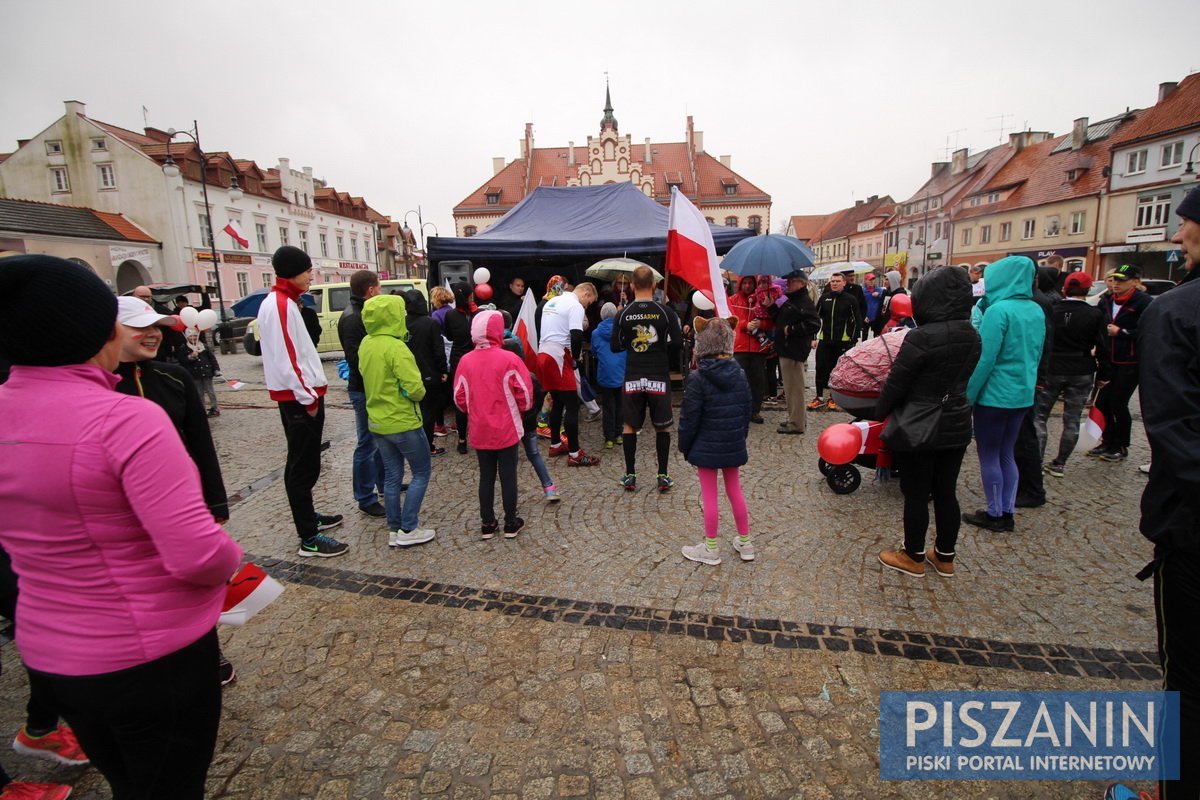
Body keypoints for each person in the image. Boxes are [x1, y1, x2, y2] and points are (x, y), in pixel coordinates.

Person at [0, 254, 243, 799]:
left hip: (52, 653)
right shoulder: (123, 418)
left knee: (127, 782)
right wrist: (233, 559)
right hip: (147, 656)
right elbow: (197, 555)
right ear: (94, 328)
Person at [113, 296, 237, 686]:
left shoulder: (172, 378)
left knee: (194, 580)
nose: (151, 335)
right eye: (139, 328)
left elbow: (201, 445)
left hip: (181, 502)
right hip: (125, 511)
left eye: (155, 327)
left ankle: (206, 646)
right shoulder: (99, 384)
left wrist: (215, 504)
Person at [1135, 183, 1200, 800]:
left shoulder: (1178, 311)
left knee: (1188, 678)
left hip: (1193, 530)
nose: (1177, 236)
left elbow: (1176, 430)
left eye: (1187, 225)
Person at [876, 268, 981, 577]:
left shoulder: (921, 337)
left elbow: (898, 383)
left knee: (917, 492)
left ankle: (913, 555)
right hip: (957, 420)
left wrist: (880, 411)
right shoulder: (972, 333)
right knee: (947, 491)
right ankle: (945, 556)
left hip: (920, 423)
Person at [257, 245, 348, 557]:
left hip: (302, 395)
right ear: (292, 271)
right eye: (307, 269)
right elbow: (289, 356)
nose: (312, 275)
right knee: (301, 466)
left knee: (306, 463)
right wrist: (307, 397)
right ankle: (308, 537)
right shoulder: (280, 304)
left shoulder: (286, 302)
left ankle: (309, 518)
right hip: (299, 398)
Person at [962, 256, 1046, 532]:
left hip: (995, 396)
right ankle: (1007, 509)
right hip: (1022, 394)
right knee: (1008, 453)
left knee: (989, 453)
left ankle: (995, 512)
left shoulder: (999, 311)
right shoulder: (1035, 310)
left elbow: (985, 359)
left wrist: (969, 395)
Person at [359, 294, 435, 548]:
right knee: (422, 472)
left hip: (378, 422)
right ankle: (409, 527)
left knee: (392, 476)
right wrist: (412, 391)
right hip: (403, 421)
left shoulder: (366, 344)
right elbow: (416, 389)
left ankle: (394, 529)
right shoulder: (397, 348)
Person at [678, 317, 754, 565]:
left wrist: (685, 446)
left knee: (709, 495)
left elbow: (689, 417)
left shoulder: (698, 378)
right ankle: (745, 542)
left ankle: (711, 548)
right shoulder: (741, 373)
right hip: (732, 442)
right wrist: (739, 439)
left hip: (705, 446)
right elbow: (746, 411)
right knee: (735, 491)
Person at [454, 310, 534, 539]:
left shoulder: (465, 361)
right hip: (507, 427)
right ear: (498, 331)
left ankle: (487, 523)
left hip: (480, 428)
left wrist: (474, 412)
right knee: (508, 475)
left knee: (486, 476)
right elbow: (526, 396)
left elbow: (459, 398)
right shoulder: (510, 359)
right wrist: (518, 410)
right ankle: (511, 522)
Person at [612, 266, 682, 490]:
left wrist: (629, 340)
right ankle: (662, 475)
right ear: (654, 285)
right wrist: (662, 345)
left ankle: (630, 474)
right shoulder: (666, 312)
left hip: (633, 374)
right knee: (662, 427)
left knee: (630, 426)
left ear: (632, 286)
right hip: (658, 376)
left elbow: (615, 346)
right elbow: (678, 344)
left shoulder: (622, 313)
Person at [1033, 272, 1106, 478]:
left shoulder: (1051, 310)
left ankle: (1037, 460)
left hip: (1053, 367)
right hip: (1081, 368)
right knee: (1072, 418)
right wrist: (1104, 373)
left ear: (1064, 289)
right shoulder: (1095, 314)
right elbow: (1102, 346)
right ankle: (1059, 463)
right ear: (1088, 289)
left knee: (1039, 417)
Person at [1089, 264, 1153, 463]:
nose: (1116, 283)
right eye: (1114, 279)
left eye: (1121, 280)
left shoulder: (1144, 302)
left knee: (1118, 403)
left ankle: (1121, 445)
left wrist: (1122, 333)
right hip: (1108, 359)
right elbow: (1098, 324)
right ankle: (1107, 441)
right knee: (1102, 402)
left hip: (1130, 361)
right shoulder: (1106, 299)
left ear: (1135, 282)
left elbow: (1148, 332)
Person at [336, 270, 386, 516]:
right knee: (367, 443)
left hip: (368, 386)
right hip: (362, 388)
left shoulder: (358, 313)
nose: (381, 291)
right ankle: (365, 497)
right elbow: (358, 359)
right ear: (371, 290)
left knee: (378, 440)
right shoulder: (355, 317)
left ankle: (383, 484)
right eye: (379, 287)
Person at [497, 310, 561, 502]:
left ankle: (510, 495)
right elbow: (535, 398)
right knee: (534, 454)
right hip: (527, 422)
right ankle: (548, 486)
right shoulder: (528, 377)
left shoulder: (501, 378)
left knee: (509, 461)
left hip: (509, 423)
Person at [539, 282, 601, 467]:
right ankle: (575, 453)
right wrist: (575, 357)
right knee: (573, 404)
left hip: (543, 353)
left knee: (557, 401)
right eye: (588, 303)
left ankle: (556, 443)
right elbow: (576, 335)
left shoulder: (552, 301)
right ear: (586, 294)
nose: (586, 306)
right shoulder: (575, 305)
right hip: (559, 355)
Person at [769, 270, 820, 435]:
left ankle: (797, 424)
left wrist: (791, 329)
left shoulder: (803, 301)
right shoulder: (793, 299)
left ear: (802, 283)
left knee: (795, 389)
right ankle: (795, 419)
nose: (788, 284)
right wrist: (770, 307)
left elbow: (814, 323)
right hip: (787, 349)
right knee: (790, 389)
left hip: (794, 350)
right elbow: (779, 320)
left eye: (792, 281)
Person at [403, 289, 450, 456]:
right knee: (428, 413)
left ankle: (411, 447)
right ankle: (427, 446)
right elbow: (438, 350)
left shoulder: (401, 323)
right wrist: (443, 370)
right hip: (429, 374)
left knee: (411, 413)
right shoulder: (430, 323)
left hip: (407, 375)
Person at [809, 272, 860, 411]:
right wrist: (813, 337)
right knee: (820, 368)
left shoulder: (850, 299)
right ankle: (819, 397)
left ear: (844, 283)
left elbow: (857, 320)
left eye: (837, 281)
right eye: (832, 281)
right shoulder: (824, 298)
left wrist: (852, 340)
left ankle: (833, 398)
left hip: (842, 341)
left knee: (835, 371)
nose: (835, 283)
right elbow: (815, 319)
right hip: (825, 339)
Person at [729, 275, 769, 423]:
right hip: (739, 347)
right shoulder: (733, 300)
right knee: (738, 381)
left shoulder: (762, 300)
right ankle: (738, 410)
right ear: (740, 284)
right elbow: (729, 320)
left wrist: (761, 325)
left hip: (758, 348)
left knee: (757, 382)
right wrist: (745, 325)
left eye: (750, 283)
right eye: (745, 283)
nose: (747, 286)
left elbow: (769, 322)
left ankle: (755, 410)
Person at [443, 282, 476, 455]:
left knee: (460, 401)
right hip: (476, 359)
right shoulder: (479, 313)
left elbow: (448, 335)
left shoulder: (450, 315)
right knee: (479, 399)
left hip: (458, 360)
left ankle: (462, 441)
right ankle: (480, 436)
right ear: (471, 296)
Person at [591, 302, 626, 449]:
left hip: (605, 373)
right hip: (621, 372)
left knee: (608, 406)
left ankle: (609, 438)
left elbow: (594, 352)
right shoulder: (623, 331)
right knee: (620, 405)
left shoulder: (596, 333)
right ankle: (619, 434)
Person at [874, 269, 908, 335]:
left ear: (893, 280)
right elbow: (880, 310)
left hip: (893, 329)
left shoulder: (901, 294)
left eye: (887, 279)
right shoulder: (885, 293)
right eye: (884, 279)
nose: (884, 282)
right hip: (882, 327)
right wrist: (876, 326)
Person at [862, 272, 885, 339]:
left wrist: (879, 295)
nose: (872, 281)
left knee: (877, 337)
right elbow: (860, 305)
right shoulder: (863, 291)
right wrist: (864, 316)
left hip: (876, 317)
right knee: (864, 337)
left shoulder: (879, 290)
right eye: (870, 280)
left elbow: (885, 301)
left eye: (873, 279)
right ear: (866, 280)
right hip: (867, 318)